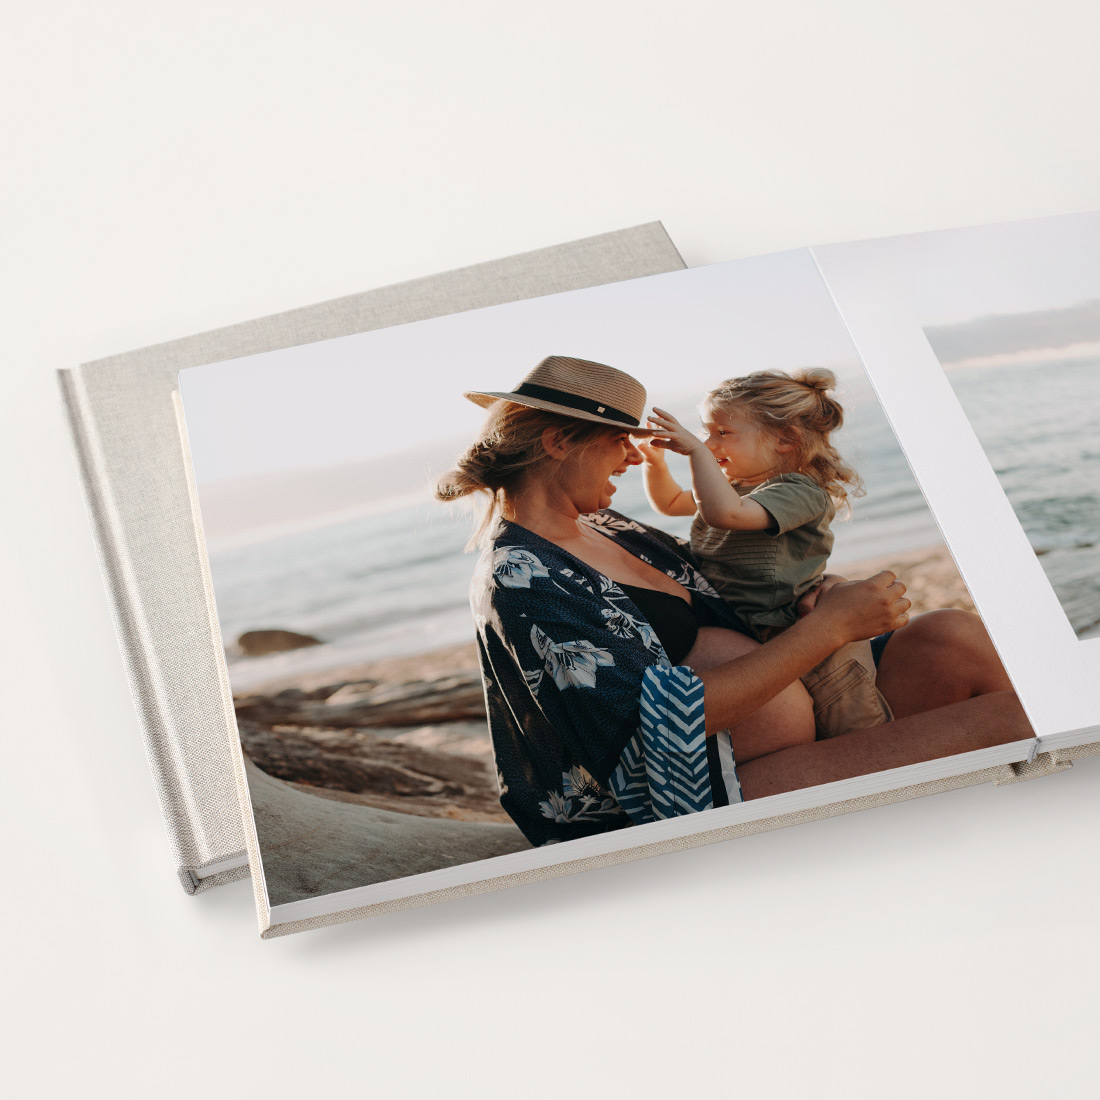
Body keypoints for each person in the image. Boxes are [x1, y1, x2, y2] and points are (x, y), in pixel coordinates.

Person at [435, 355, 1028, 848]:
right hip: (702, 794)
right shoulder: (521, 575)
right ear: (560, 441)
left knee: (951, 634)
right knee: (1013, 720)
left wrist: (828, 598)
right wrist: (826, 631)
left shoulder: (611, 528)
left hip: (799, 729)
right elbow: (651, 725)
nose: (636, 457)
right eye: (622, 442)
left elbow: (741, 581)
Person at [639, 368, 890, 739]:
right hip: (759, 633)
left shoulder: (799, 491)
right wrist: (654, 463)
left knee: (851, 723)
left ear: (785, 440)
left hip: (802, 630)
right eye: (706, 433)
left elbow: (726, 515)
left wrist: (694, 452)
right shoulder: (733, 488)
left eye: (722, 433)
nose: (709, 443)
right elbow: (671, 502)